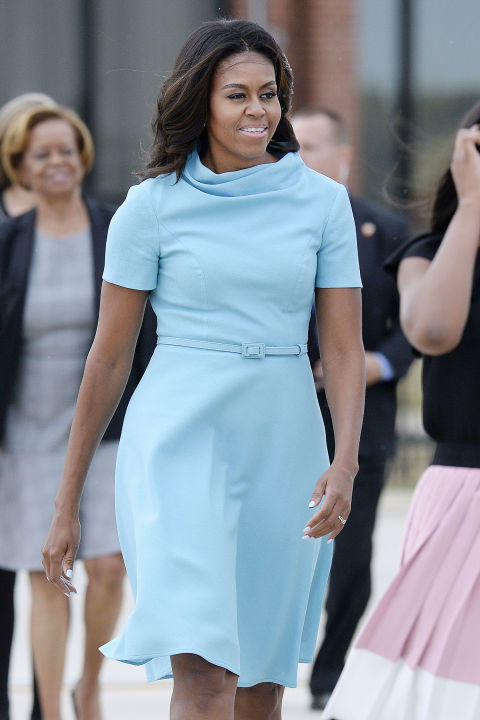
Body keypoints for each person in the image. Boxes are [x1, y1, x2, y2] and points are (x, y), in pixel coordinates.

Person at [41, 19, 365, 720]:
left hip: (284, 441)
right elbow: (108, 358)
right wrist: (66, 503)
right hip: (176, 442)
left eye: (268, 94)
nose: (258, 111)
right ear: (201, 102)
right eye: (237, 95)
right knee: (204, 671)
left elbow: (342, 349)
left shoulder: (323, 202)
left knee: (260, 685)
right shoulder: (150, 207)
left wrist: (345, 464)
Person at [324, 100, 480, 720]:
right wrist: (472, 208)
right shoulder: (426, 251)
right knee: (446, 688)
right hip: (465, 487)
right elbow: (432, 330)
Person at [0, 104, 155, 720]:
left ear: (83, 156)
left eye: (66, 149)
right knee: (46, 574)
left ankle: (87, 684)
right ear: (20, 167)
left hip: (107, 421)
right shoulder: (9, 242)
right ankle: (51, 710)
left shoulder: (114, 228)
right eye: (42, 154)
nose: (57, 162)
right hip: (27, 430)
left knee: (110, 566)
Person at [292, 108, 412, 710]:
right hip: (281, 416)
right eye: (290, 145)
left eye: (311, 145)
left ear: (343, 155)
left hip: (361, 423)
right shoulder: (267, 226)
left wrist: (375, 364)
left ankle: (330, 674)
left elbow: (416, 323)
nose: (298, 156)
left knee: (350, 551)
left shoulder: (385, 231)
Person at [0, 91, 58, 720]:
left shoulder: (80, 223)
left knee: (49, 574)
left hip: (58, 425)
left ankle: (51, 704)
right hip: (9, 430)